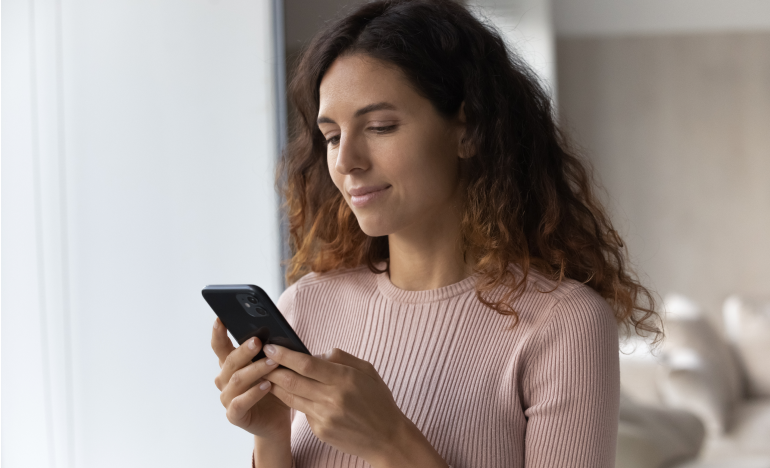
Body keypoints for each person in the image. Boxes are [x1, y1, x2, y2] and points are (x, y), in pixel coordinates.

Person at [211, 0, 661, 467]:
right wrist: (270, 436)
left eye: (380, 126)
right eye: (332, 136)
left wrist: (391, 443)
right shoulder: (307, 306)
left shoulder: (560, 324)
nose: (346, 162)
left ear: (467, 130)